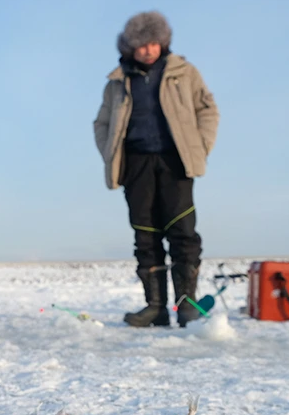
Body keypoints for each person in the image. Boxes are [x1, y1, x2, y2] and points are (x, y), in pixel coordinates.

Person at [94, 11, 219, 327]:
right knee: (145, 233)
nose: (147, 50)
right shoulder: (117, 82)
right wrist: (110, 154)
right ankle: (155, 306)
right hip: (136, 164)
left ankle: (186, 305)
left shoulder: (183, 72)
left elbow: (207, 109)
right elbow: (102, 123)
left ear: (162, 42)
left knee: (182, 230)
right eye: (140, 45)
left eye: (152, 43)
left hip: (175, 161)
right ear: (130, 48)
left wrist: (199, 147)